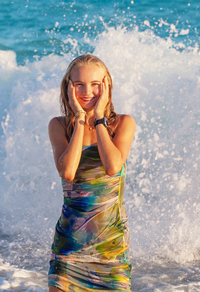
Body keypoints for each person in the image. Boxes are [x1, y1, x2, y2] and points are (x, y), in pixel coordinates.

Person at [47, 54, 135, 291]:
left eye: (95, 84)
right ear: (68, 88)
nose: (87, 92)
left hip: (111, 249)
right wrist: (79, 119)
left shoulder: (123, 124)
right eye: (79, 85)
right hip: (69, 250)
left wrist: (98, 118)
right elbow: (67, 171)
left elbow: (112, 166)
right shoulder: (59, 125)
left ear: (106, 87)